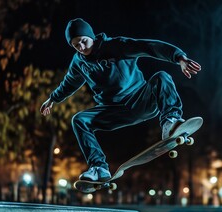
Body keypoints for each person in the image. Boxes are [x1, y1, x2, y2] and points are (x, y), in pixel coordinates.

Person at [40, 18, 201, 181]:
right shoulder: (78, 63)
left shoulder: (116, 46)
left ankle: (170, 122)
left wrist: (178, 57)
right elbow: (69, 82)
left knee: (161, 77)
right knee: (79, 120)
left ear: (91, 36)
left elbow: (149, 47)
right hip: (113, 111)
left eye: (83, 41)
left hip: (140, 101)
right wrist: (53, 98)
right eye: (76, 45)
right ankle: (99, 167)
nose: (82, 48)